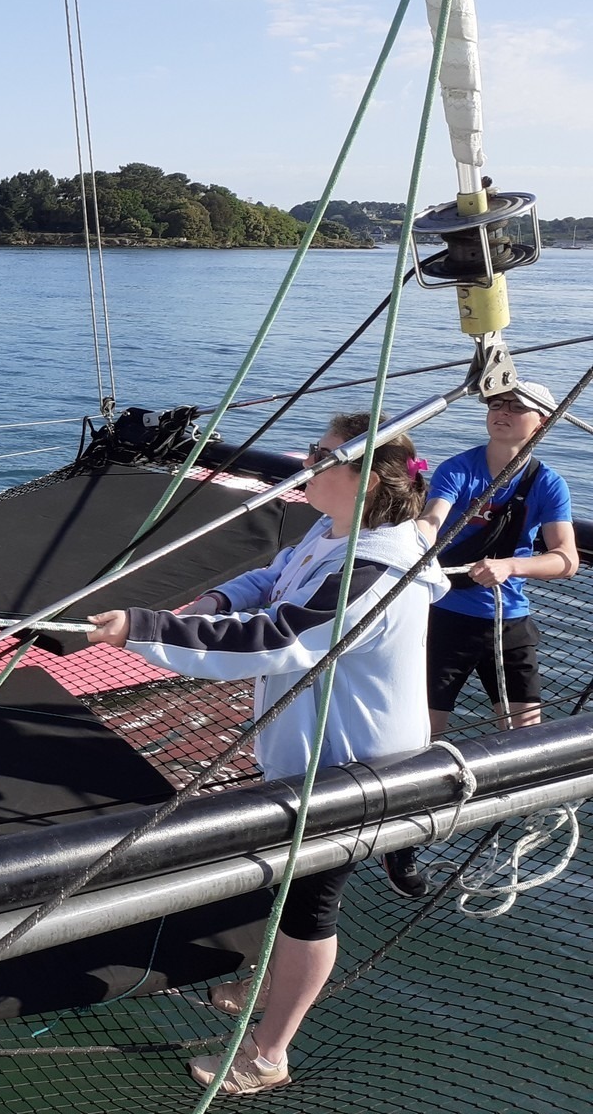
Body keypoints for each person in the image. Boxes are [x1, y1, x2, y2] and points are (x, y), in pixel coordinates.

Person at [87, 414, 447, 1095]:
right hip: (311, 752)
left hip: (354, 773)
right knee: (292, 886)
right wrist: (221, 596)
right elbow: (279, 577)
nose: (306, 462)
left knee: (312, 904)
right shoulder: (336, 529)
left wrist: (143, 628)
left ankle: (270, 1051)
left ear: (364, 479)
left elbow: (276, 637)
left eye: (320, 455)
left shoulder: (375, 570)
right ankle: (262, 980)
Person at [418, 382, 578, 736]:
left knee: (525, 733)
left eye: (517, 407)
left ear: (542, 421)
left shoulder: (548, 484)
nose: (502, 412)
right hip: (445, 615)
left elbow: (567, 559)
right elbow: (432, 519)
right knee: (425, 731)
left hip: (509, 620)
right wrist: (416, 542)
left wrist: (511, 566)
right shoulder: (458, 469)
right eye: (497, 404)